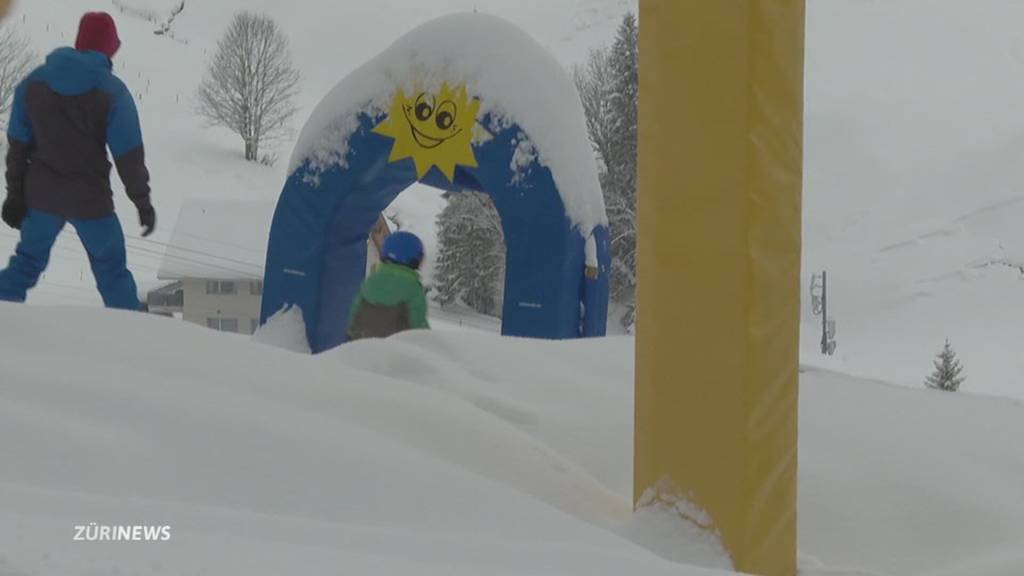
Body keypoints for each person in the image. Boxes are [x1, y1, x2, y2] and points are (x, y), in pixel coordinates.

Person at [0, 12, 154, 310]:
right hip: (90, 201)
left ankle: (3, 313)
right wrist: (143, 203)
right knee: (111, 269)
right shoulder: (113, 91)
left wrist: (15, 194)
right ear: (108, 48)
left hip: (41, 197)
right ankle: (132, 325)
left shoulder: (33, 83)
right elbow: (129, 157)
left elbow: (17, 147)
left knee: (26, 262)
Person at [347, 231, 429, 341]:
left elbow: (353, 317)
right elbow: (419, 328)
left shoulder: (370, 281)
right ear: (416, 259)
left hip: (362, 346)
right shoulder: (413, 290)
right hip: (395, 349)